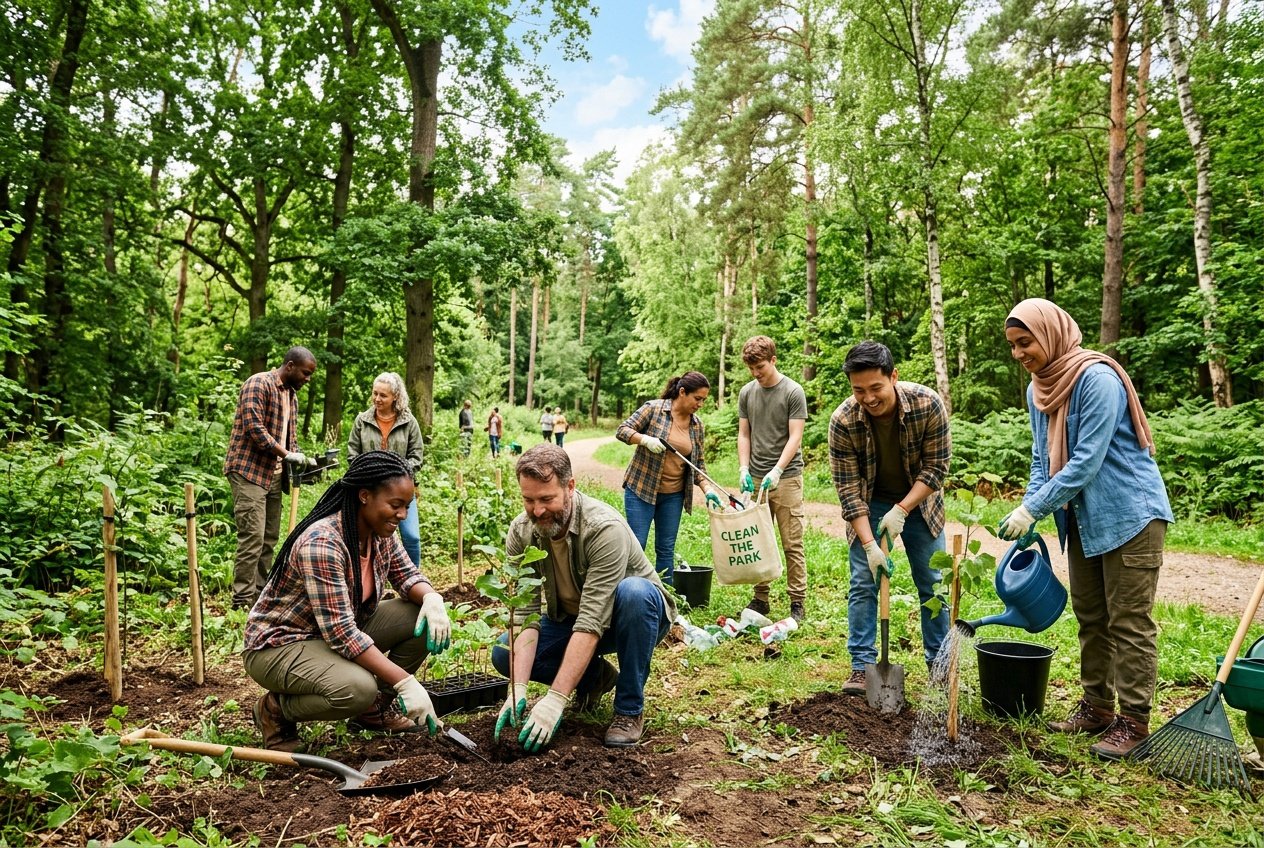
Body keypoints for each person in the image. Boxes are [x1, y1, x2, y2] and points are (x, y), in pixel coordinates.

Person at [1000, 298, 1172, 760]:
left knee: (1129, 622)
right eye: (1013, 345)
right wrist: (1029, 508)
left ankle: (1134, 723)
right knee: (1092, 617)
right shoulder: (1041, 388)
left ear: (1051, 333)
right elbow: (1042, 460)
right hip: (1082, 520)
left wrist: (1035, 505)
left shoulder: (1096, 378)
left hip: (1129, 515)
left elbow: (1086, 462)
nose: (1019, 353)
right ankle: (1097, 708)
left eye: (1025, 342)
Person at [242, 451, 451, 752]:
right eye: (395, 505)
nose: (402, 515)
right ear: (364, 496)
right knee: (358, 688)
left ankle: (372, 712)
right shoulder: (323, 543)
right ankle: (275, 709)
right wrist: (404, 681)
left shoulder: (380, 533)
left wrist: (431, 597)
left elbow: (407, 576)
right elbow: (342, 634)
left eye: (407, 506)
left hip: (332, 633)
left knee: (421, 617)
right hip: (280, 645)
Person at [491, 444, 675, 750]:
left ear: (570, 487)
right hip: (570, 619)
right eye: (528, 499)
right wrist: (518, 688)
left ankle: (629, 711)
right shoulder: (522, 532)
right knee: (502, 652)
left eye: (547, 499)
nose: (537, 510)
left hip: (632, 617)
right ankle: (595, 678)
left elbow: (592, 621)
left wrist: (555, 700)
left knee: (635, 593)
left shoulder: (603, 528)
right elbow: (525, 617)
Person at [828, 341, 951, 696]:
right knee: (864, 581)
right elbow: (849, 492)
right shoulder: (843, 420)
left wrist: (902, 509)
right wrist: (870, 545)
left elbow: (937, 468)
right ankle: (861, 666)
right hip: (870, 503)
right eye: (858, 390)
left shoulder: (927, 404)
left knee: (932, 581)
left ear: (894, 376)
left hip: (919, 501)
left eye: (875, 388)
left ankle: (939, 666)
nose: (868, 398)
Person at [224, 346, 318, 611]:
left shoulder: (291, 397)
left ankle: (257, 596)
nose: (307, 379)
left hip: (274, 475)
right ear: (289, 366)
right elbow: (254, 428)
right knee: (252, 537)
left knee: (269, 538)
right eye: (305, 373)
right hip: (248, 471)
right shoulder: (258, 384)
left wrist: (298, 455)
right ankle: (241, 601)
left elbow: (291, 437)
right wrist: (286, 453)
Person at [616, 372, 724, 584]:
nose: (701, 404)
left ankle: (665, 598)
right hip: (641, 490)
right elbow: (622, 430)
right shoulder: (654, 409)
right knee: (637, 544)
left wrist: (708, 489)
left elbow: (698, 465)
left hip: (673, 496)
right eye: (697, 398)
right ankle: (629, 592)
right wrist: (645, 440)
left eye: (704, 399)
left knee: (666, 548)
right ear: (682, 392)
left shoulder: (697, 425)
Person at [737, 336, 809, 623]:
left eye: (761, 367)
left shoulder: (793, 391)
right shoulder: (747, 393)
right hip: (755, 478)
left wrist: (777, 470)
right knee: (758, 540)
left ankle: (797, 601)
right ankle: (761, 597)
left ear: (773, 360)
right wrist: (744, 469)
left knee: (792, 542)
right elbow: (744, 434)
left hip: (787, 478)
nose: (756, 373)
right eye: (752, 368)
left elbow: (795, 436)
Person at [346, 372, 424, 566]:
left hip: (402, 491)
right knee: (366, 538)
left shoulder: (409, 422)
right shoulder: (362, 420)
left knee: (412, 537)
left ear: (395, 397)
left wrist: (396, 473)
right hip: (370, 491)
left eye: (383, 395)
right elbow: (352, 455)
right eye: (375, 394)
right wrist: (370, 475)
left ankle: (413, 580)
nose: (377, 399)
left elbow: (417, 456)